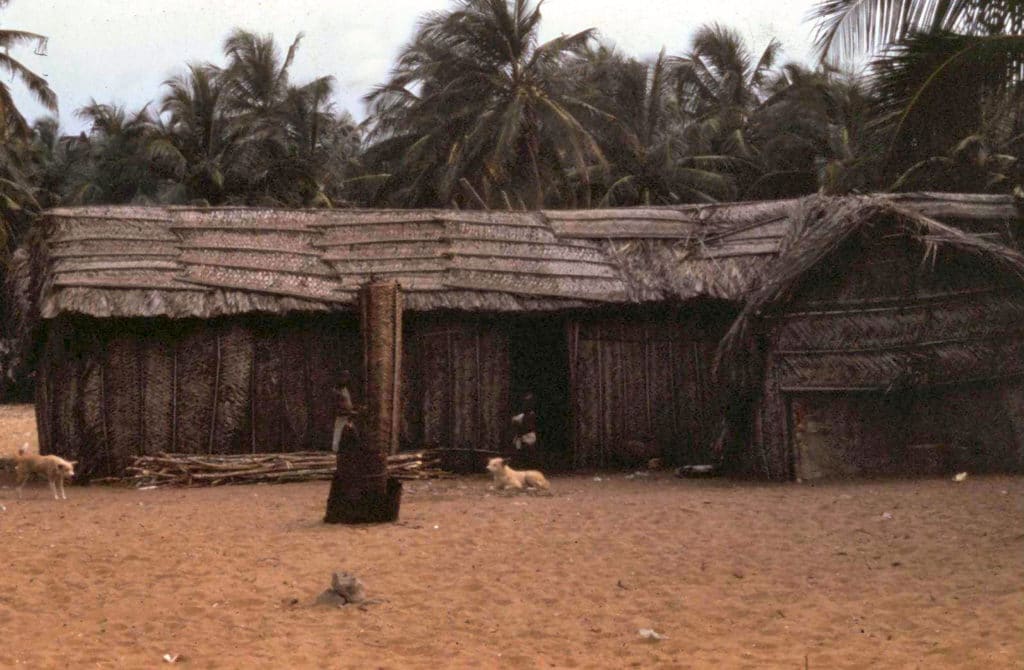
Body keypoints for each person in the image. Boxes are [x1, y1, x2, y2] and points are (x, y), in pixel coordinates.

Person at [331, 371, 357, 453]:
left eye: (347, 377)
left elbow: (347, 402)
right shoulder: (336, 391)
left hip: (348, 416)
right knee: (338, 435)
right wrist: (347, 412)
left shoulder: (345, 389)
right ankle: (335, 453)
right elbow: (338, 405)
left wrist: (352, 409)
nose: (346, 379)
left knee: (353, 434)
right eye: (344, 377)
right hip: (342, 415)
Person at [510, 392, 538, 465]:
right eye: (525, 402)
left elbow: (529, 426)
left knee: (528, 451)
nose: (526, 404)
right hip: (521, 436)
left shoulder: (531, 415)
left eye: (529, 402)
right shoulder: (520, 416)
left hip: (528, 436)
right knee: (518, 451)